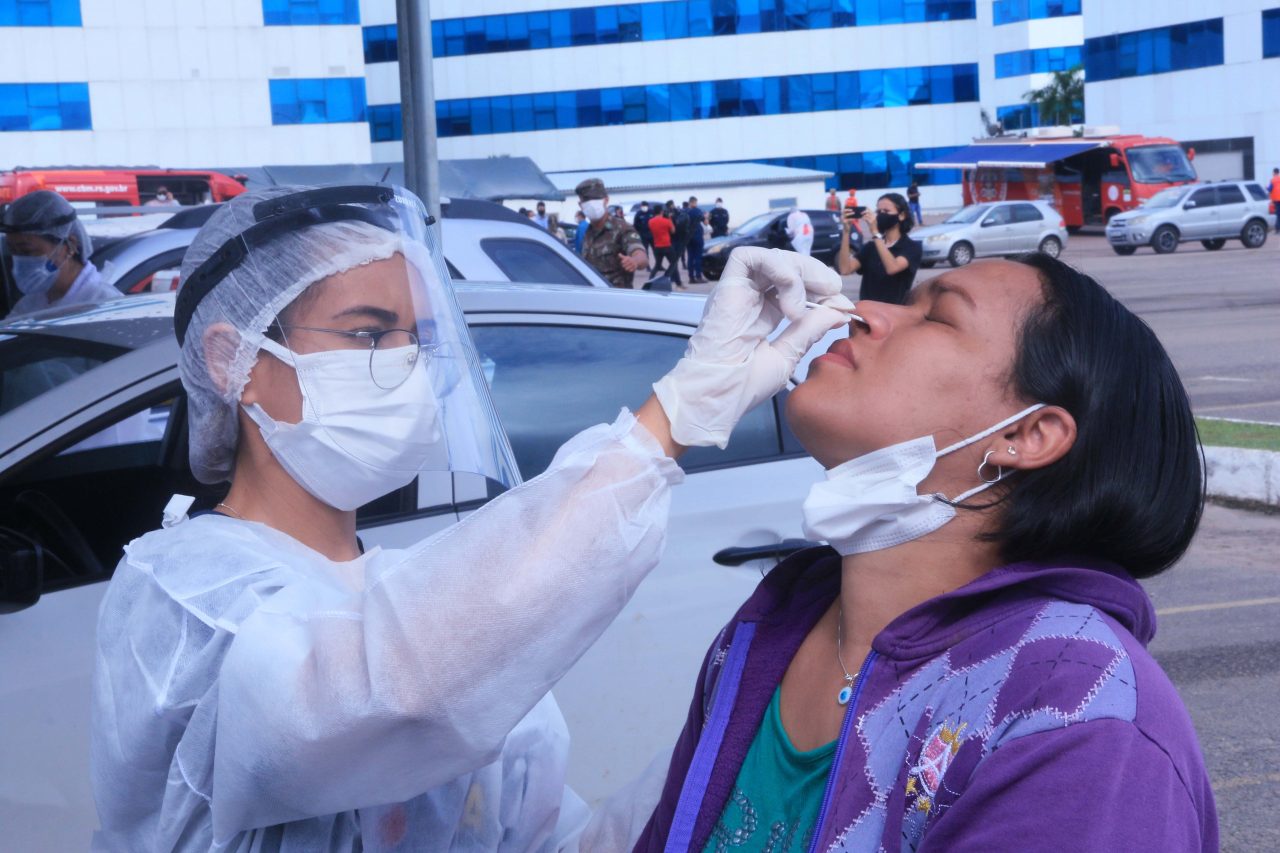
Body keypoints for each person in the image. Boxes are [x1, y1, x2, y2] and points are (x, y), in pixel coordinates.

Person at [89, 183, 855, 851]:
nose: (409, 366)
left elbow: (552, 835)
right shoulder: (181, 594)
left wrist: (753, 749)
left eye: (418, 339)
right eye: (367, 333)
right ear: (234, 363)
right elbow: (387, 691)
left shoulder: (400, 587)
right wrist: (673, 417)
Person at [635, 254, 1217, 852]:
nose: (863, 312)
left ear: (1024, 435)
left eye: (937, 316)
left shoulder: (1076, 710)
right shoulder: (770, 628)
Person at [2, 189, 120, 318]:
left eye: (27, 251)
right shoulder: (29, 305)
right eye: (13, 251)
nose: (20, 260)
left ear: (70, 245)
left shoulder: (106, 305)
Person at [837, 192, 922, 305]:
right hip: (868, 314)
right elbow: (845, 269)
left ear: (902, 215)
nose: (881, 215)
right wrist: (846, 231)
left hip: (895, 315)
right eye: (878, 211)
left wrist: (874, 232)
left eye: (886, 211)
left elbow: (892, 268)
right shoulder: (871, 247)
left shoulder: (912, 247)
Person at [576, 177, 648, 289]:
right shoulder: (588, 232)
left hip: (617, 300)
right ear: (580, 205)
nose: (591, 204)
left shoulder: (622, 228)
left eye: (595, 199)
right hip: (593, 299)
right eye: (586, 201)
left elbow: (641, 256)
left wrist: (634, 261)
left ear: (606, 200)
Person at [648, 204, 675, 277]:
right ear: (661, 212)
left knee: (657, 265)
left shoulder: (650, 221)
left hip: (657, 246)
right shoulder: (666, 221)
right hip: (667, 245)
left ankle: (650, 279)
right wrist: (669, 219)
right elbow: (673, 231)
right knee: (673, 263)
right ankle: (668, 276)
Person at [669, 201, 691, 287]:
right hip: (674, 240)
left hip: (677, 239)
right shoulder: (675, 215)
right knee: (674, 260)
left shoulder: (680, 214)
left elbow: (681, 226)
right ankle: (675, 279)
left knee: (675, 260)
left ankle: (674, 278)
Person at [686, 196, 707, 283]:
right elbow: (705, 223)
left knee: (690, 257)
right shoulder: (698, 211)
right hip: (697, 236)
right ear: (694, 202)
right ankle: (698, 276)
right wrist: (706, 217)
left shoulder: (685, 211)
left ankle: (691, 277)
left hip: (688, 237)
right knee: (698, 257)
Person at [633, 201, 654, 268]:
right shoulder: (638, 214)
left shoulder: (651, 212)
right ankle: (648, 266)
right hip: (643, 235)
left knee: (656, 250)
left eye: (645, 206)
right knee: (645, 251)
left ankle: (659, 265)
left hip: (652, 234)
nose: (644, 207)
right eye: (643, 206)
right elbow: (636, 224)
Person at [1268, 167, 1280, 233]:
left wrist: (1266, 187)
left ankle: (1277, 229)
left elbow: (1269, 189)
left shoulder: (1272, 180)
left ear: (1274, 172)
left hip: (1276, 199)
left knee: (1278, 214)